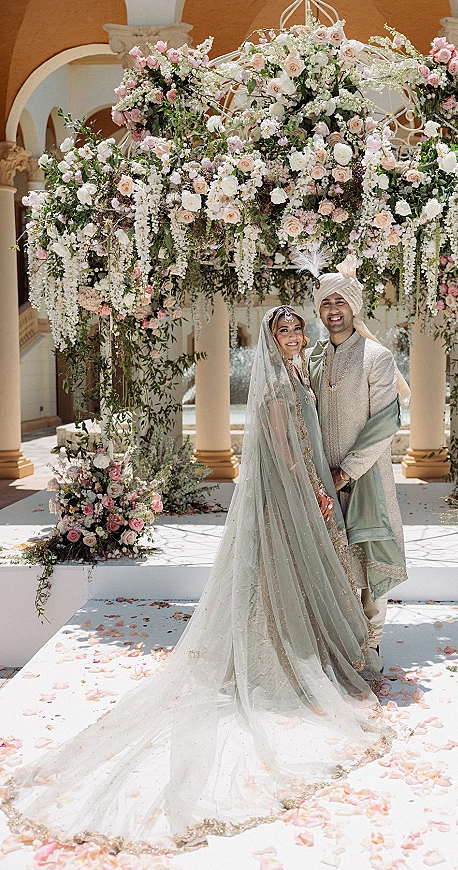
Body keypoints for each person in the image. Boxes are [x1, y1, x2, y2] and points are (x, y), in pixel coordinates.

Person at [1, 307, 392, 857]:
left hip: (305, 493)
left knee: (304, 576)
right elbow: (285, 452)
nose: (296, 335)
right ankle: (284, 652)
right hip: (288, 498)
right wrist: (314, 491)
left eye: (298, 328)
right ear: (271, 339)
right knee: (285, 576)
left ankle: (301, 641)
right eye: (285, 330)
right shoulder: (278, 386)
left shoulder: (299, 372)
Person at [308, 256, 408, 666]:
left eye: (341, 302)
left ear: (354, 306)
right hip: (322, 480)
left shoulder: (376, 356)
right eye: (326, 303)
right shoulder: (313, 357)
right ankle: (341, 644)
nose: (334, 310)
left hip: (364, 479)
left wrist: (347, 470)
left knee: (369, 563)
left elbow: (386, 421)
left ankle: (371, 647)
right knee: (336, 563)